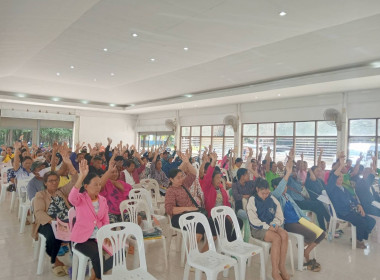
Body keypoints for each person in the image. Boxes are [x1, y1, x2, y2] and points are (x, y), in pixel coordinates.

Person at [271, 152, 325, 272]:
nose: (285, 188)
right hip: (289, 223)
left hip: (299, 219)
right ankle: (306, 252)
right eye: (281, 186)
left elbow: (298, 210)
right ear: (276, 187)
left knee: (321, 234)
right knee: (311, 234)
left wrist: (306, 219)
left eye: (285, 186)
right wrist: (288, 172)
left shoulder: (288, 197)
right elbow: (280, 188)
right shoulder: (275, 197)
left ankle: (305, 250)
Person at [69, 160, 113, 280]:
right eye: (95, 184)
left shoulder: (102, 200)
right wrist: (81, 176)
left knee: (120, 251)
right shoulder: (81, 199)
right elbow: (71, 198)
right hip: (82, 239)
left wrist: (106, 234)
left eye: (100, 184)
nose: (99, 187)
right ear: (86, 186)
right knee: (97, 254)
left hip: (98, 237)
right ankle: (99, 277)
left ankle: (95, 271)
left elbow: (105, 220)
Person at [165, 152, 215, 252]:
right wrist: (188, 208)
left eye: (181, 176)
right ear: (171, 179)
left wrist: (187, 162)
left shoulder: (184, 185)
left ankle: (203, 252)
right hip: (178, 218)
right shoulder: (171, 191)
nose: (181, 179)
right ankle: (191, 255)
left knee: (214, 225)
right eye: (178, 178)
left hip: (192, 214)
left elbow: (193, 173)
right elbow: (170, 209)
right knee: (201, 226)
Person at [33, 170, 78, 276]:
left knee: (79, 231)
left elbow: (75, 181)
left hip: (66, 220)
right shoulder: (40, 195)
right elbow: (38, 212)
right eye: (51, 181)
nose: (54, 182)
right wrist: (53, 222)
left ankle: (76, 257)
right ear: (45, 183)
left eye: (56, 180)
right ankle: (56, 262)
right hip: (47, 222)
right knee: (51, 236)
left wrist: (69, 165)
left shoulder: (61, 191)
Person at [326, 154, 376, 249]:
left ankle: (358, 237)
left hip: (350, 210)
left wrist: (359, 205)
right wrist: (341, 164)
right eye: (338, 177)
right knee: (362, 222)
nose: (341, 178)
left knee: (371, 221)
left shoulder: (343, 188)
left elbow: (353, 199)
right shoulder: (331, 188)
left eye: (341, 177)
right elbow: (333, 176)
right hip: (341, 212)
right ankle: (358, 240)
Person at [247, 177, 289, 280]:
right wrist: (268, 227)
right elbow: (253, 221)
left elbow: (279, 216)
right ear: (257, 190)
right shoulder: (252, 200)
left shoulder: (272, 198)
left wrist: (274, 225)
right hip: (258, 228)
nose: (265, 195)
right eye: (263, 193)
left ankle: (281, 266)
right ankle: (275, 271)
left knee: (284, 234)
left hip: (271, 225)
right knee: (276, 238)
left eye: (267, 193)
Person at [202, 152, 242, 241]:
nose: (219, 180)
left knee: (239, 221)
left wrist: (228, 215)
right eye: (217, 178)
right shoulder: (208, 188)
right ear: (211, 179)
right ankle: (228, 245)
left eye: (220, 178)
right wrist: (213, 162)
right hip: (213, 216)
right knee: (227, 224)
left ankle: (232, 242)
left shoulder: (221, 189)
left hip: (223, 214)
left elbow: (226, 203)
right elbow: (207, 177)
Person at [289, 166, 330, 231]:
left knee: (318, 209)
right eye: (292, 171)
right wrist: (310, 171)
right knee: (318, 204)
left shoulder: (297, 181)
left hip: (303, 199)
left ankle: (323, 229)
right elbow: (312, 179)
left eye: (295, 171)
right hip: (296, 202)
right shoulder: (289, 180)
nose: (294, 173)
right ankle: (328, 220)